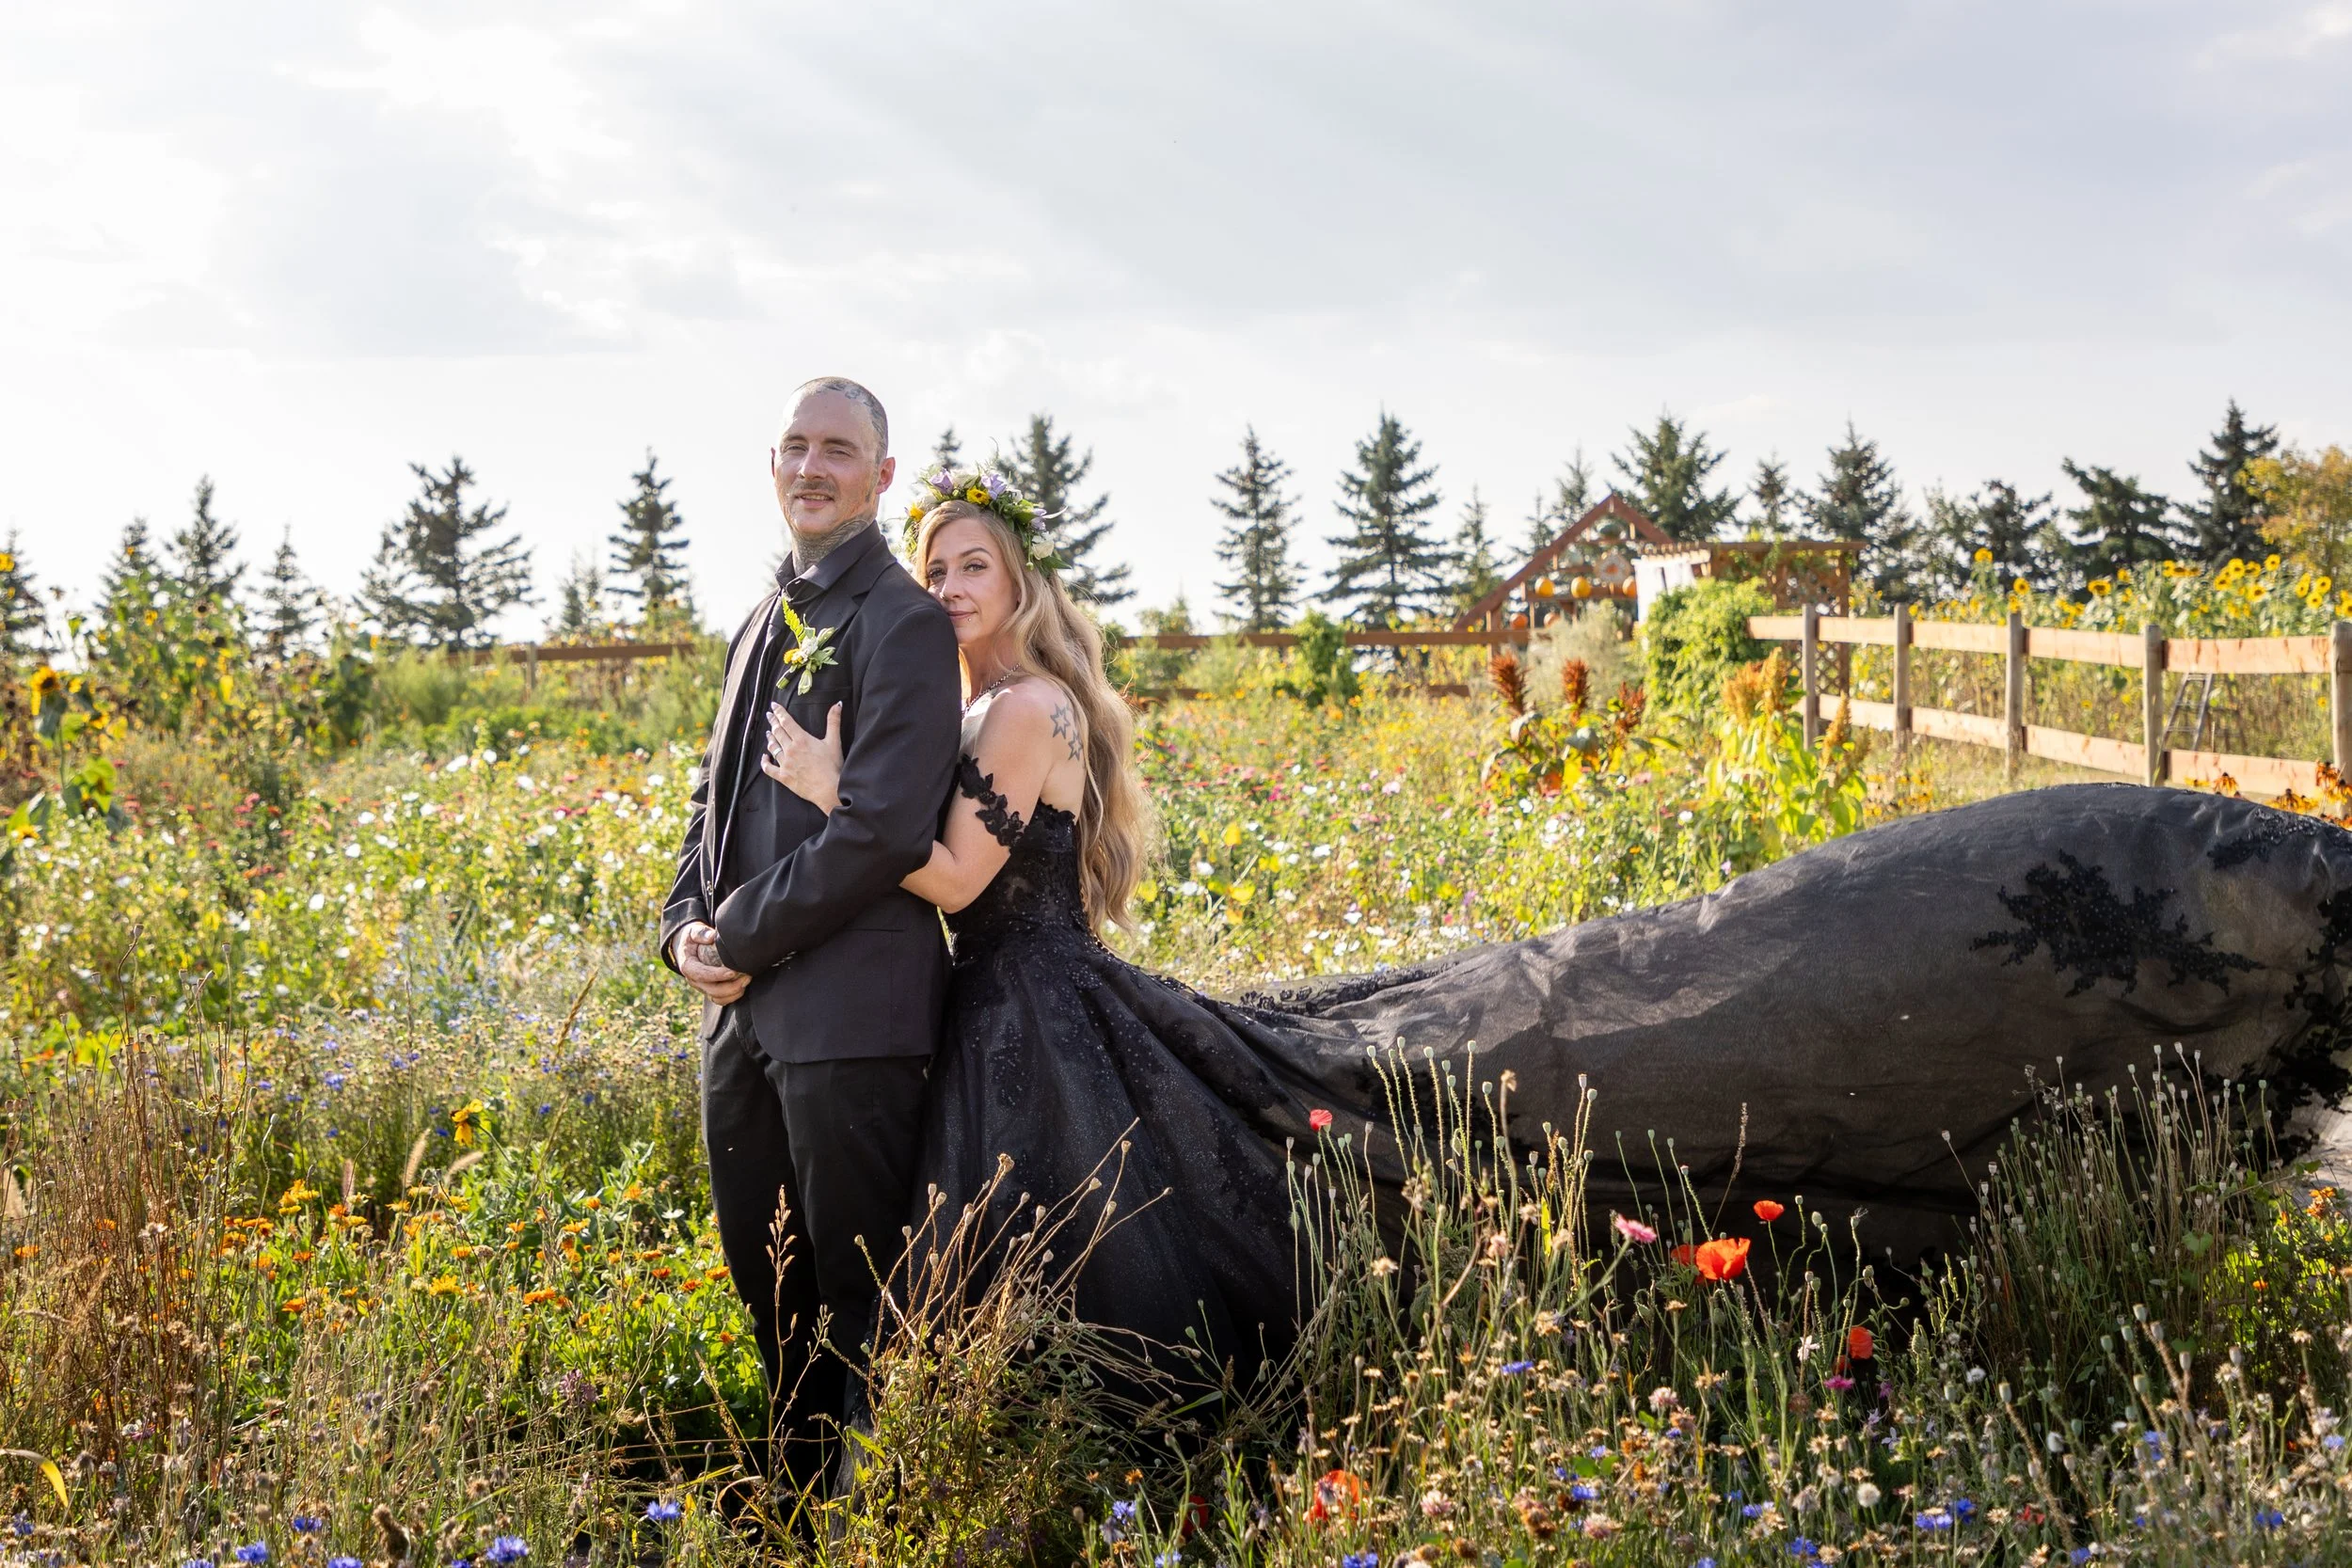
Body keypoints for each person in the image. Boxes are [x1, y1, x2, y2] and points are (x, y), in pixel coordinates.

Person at [764, 467, 2352, 1381]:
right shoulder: (979, 707)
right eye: (936, 566)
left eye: (971, 560)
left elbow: (964, 883)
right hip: (1023, 1010)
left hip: (1034, 1001)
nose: (950, 581)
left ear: (1016, 578)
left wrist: (841, 796)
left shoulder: (1022, 706)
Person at [660, 376, 961, 1497]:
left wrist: (736, 929)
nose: (810, 465)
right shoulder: (757, 618)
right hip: (738, 1024)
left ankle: (878, 1516)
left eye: (838, 447)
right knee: (766, 1293)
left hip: (852, 1020)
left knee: (861, 1297)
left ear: (882, 477)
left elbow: (881, 825)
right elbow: (713, 800)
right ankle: (790, 1511)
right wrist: (683, 923)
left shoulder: (905, 622)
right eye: (794, 445)